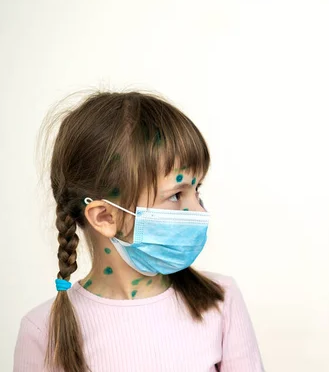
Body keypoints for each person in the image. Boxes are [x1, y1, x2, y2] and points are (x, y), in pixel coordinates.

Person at [14, 91, 264, 372]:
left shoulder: (220, 300)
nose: (199, 213)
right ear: (105, 216)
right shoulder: (43, 330)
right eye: (176, 196)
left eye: (197, 191)